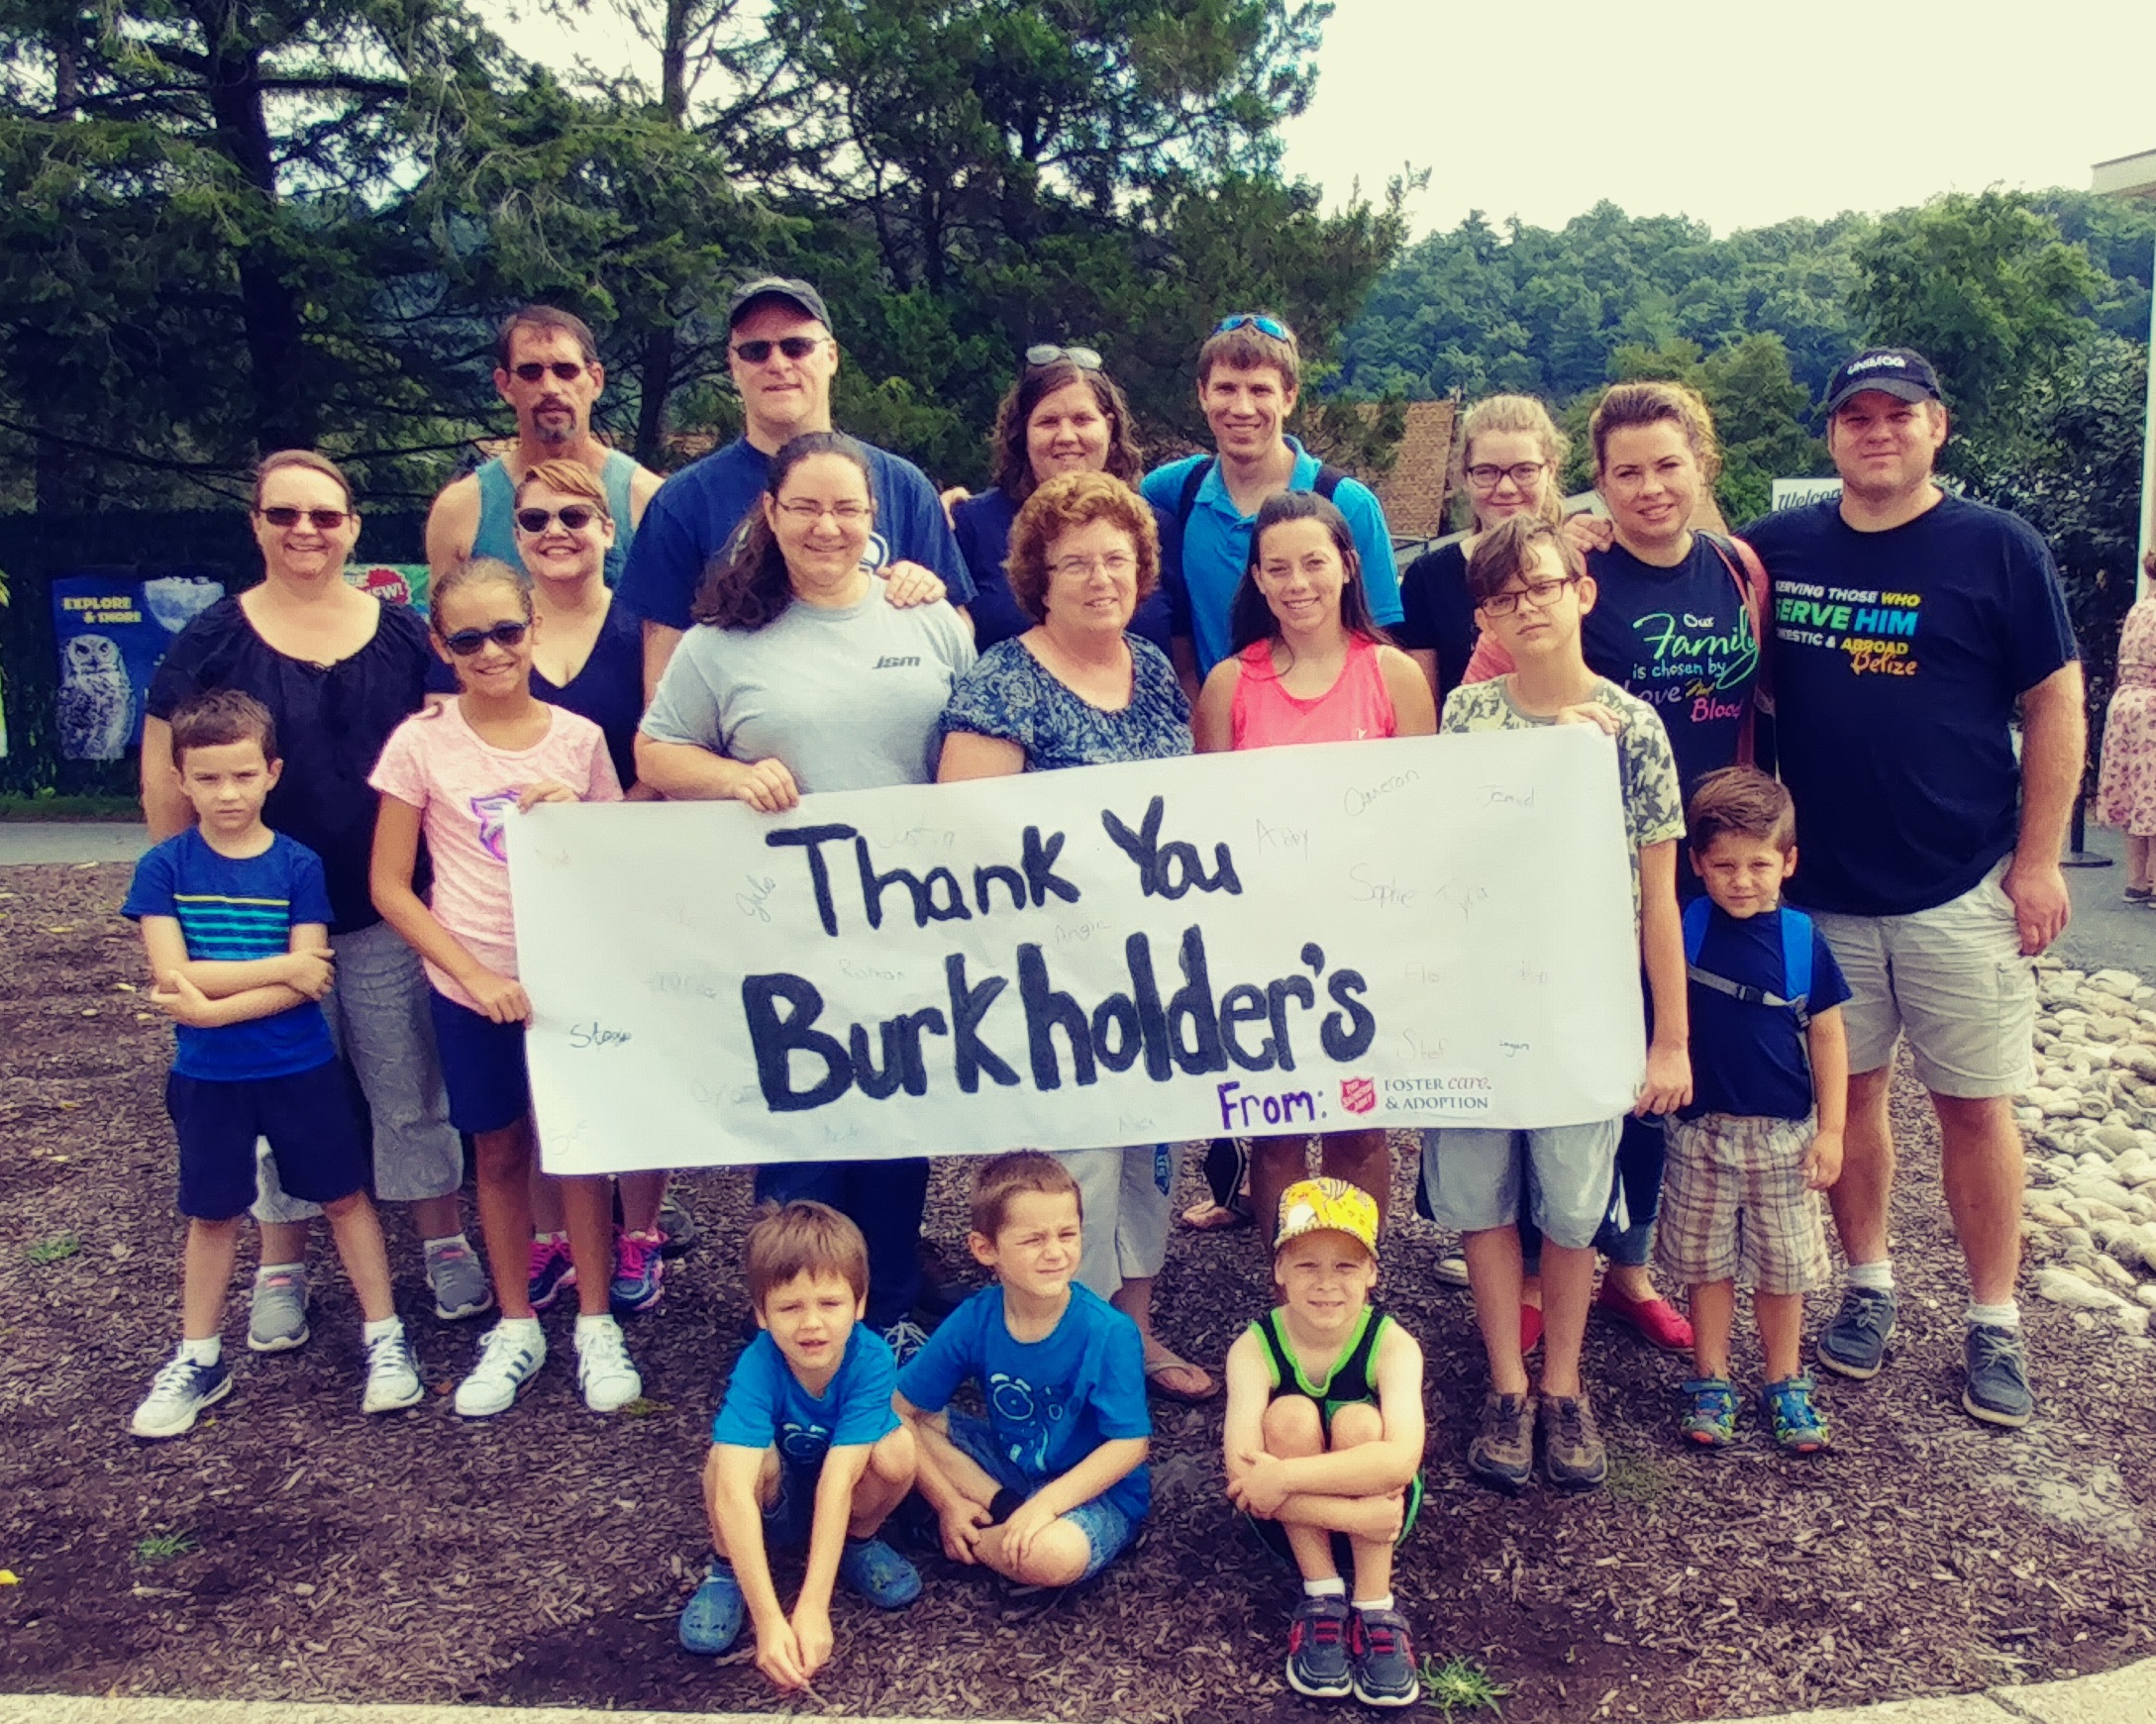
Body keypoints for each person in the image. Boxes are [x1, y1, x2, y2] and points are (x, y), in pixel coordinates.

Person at [1743, 347, 2083, 1429]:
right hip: (1823, 890)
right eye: (1854, 416)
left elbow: (2053, 704)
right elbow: (1678, 563)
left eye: (1898, 414)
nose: (1875, 431)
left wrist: (2033, 860)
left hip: (1958, 882)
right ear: (1830, 435)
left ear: (1937, 427)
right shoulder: (1776, 547)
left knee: (1972, 1106)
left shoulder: (1996, 548)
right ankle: (1869, 1286)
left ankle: (1993, 1319)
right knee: (1851, 1098)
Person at [637, 431, 975, 1363]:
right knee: (805, 1131)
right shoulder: (719, 641)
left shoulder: (931, 620)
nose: (827, 526)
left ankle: (891, 1306)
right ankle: (796, 1321)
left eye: (846, 507)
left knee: (900, 1117)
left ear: (875, 517)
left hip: (912, 922)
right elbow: (655, 750)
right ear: (770, 515)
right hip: (787, 929)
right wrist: (729, 777)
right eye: (806, 507)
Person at [143, 451, 485, 1349]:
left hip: (386, 910)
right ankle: (282, 1260)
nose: (306, 530)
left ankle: (443, 1238)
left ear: (353, 527)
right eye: (285, 514)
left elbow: (455, 752)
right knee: (275, 1088)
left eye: (325, 516)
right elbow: (163, 780)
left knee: (408, 1083)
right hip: (252, 921)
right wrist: (183, 898)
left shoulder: (408, 636)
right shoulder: (213, 640)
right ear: (256, 523)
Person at [1466, 380, 1771, 1357]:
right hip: (1582, 868)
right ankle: (1535, 1268)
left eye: (1666, 465)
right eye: (1626, 471)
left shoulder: (1736, 569)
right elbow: (1491, 693)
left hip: (1704, 854)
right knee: (1568, 1068)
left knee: (1658, 1081)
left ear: (1699, 466)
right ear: (1594, 486)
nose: (1648, 488)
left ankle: (1625, 1269)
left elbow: (1764, 698)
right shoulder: (1570, 571)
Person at [937, 470, 1216, 1401]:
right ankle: (1061, 1356)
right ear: (1038, 577)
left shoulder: (1151, 670)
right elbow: (966, 833)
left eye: (1117, 560)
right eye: (1075, 564)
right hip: (1052, 981)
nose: (1099, 578)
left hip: (1154, 972)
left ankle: (1132, 1332)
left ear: (1141, 570)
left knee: (1148, 1158)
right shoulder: (1004, 678)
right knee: (1071, 1172)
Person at [1424, 515, 1690, 1492]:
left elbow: (1657, 896)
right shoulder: (1465, 719)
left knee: (1574, 1206)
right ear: (1484, 616)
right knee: (1483, 1199)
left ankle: (1565, 1384)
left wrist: (1669, 1037)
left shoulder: (1632, 728)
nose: (1525, 606)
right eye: (1502, 597)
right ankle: (1504, 1380)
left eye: (1541, 585)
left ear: (1581, 590)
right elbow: (1443, 858)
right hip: (1481, 1004)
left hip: (1585, 1005)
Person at [368, 556, 642, 1418]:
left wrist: (580, 815)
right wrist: (474, 974)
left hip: (569, 983)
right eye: (468, 638)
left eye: (507, 631)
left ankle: (596, 1321)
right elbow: (388, 883)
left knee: (580, 1151)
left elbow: (618, 863)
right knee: (495, 1149)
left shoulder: (579, 738)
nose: (492, 651)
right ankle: (517, 1321)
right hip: (472, 985)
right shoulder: (420, 742)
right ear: (444, 649)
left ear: (532, 627)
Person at [122, 691, 422, 1438]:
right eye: (209, 778)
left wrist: (214, 1002)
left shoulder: (298, 864)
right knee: (214, 1211)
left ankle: (384, 1336)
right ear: (181, 779)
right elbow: (173, 973)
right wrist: (277, 969)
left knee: (346, 1197)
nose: (227, 793)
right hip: (209, 1079)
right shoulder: (163, 867)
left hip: (299, 1066)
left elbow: (314, 971)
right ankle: (198, 1356)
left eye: (242, 775)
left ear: (271, 773)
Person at [432, 456, 675, 1317]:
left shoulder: (648, 623)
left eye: (578, 514)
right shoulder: (495, 634)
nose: (557, 532)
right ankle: (550, 1237)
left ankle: (639, 1230)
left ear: (612, 528)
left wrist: (593, 814)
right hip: (510, 895)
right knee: (536, 1082)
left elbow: (668, 743)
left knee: (625, 1066)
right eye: (535, 520)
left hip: (629, 865)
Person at [1192, 491, 1434, 1245]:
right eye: (1278, 568)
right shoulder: (1230, 683)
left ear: (1347, 565)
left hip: (1369, 944)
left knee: (1360, 1127)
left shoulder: (1392, 675)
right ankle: (1291, 1285)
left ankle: (1352, 1282)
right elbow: (1207, 828)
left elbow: (1427, 816)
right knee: (1278, 1130)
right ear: (1256, 580)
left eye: (1313, 563)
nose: (1297, 582)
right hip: (1264, 947)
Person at [615, 276, 973, 695]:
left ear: (832, 355)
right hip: (750, 750)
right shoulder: (682, 502)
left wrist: (926, 592)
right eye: (755, 350)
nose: (777, 363)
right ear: (732, 365)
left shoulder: (903, 485)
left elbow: (958, 633)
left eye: (796, 346)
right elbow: (663, 673)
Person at [1660, 768, 1851, 1453]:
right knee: (1704, 1262)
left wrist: (1832, 1130)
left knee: (1782, 1267)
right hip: (1700, 1132)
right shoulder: (1683, 928)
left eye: (1758, 864)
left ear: (1787, 861)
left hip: (1783, 1138)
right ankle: (1709, 1377)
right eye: (1724, 866)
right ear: (1696, 865)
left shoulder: (1802, 940)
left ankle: (1783, 1379)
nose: (1742, 880)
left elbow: (1826, 1035)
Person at [678, 1202, 921, 1684]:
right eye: (790, 1307)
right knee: (724, 1461)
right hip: (779, 1502)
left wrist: (812, 1606)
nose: (811, 1324)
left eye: (829, 1304)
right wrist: (770, 1621)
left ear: (860, 1303)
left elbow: (839, 1479)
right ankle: (725, 1568)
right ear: (762, 1314)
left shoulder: (871, 1358)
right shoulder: (758, 1364)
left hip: (841, 1496)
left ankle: (858, 1542)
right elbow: (733, 1492)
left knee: (899, 1448)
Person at [895, 1153, 1150, 1589]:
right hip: (1006, 1470)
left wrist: (1046, 1505)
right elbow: (900, 1410)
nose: (1055, 1252)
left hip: (1094, 1494)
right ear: (985, 1249)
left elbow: (1129, 1447)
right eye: (1033, 1240)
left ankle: (977, 1543)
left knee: (1051, 1557)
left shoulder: (1109, 1331)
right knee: (894, 1428)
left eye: (1067, 1234)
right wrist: (947, 1502)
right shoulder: (976, 1318)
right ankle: (987, 1517)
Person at [1222, 1178, 1424, 1709]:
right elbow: (1243, 1476)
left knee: (1360, 1423)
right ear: (1280, 1270)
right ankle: (1323, 1596)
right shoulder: (1253, 1346)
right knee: (1288, 1416)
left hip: (1374, 1503)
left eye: (1347, 1266)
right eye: (1308, 1264)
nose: (1326, 1283)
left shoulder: (1394, 1345)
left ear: (1373, 1273)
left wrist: (1284, 1478)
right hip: (1318, 1521)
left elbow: (1400, 1461)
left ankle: (1375, 1603)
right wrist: (1357, 1518)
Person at [1140, 312, 1403, 690]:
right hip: (1221, 728)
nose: (1242, 408)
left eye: (1260, 390)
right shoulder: (1171, 492)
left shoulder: (1346, 503)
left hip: (1327, 724)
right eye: (1226, 388)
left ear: (1289, 398)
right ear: (1202, 394)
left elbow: (1385, 640)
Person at [951, 345, 1174, 656]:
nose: (1066, 436)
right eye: (1048, 422)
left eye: (1082, 420)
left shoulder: (1156, 527)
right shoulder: (968, 525)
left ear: (1109, 427)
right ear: (1022, 432)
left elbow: (1185, 662)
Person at [424, 305, 663, 585]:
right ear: (504, 385)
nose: (550, 387)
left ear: (596, 380)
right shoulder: (461, 509)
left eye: (566, 370)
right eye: (530, 372)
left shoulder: (647, 502)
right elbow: (445, 626)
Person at [1395, 393, 1570, 706]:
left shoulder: (1580, 561)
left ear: (1551, 470)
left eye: (1524, 470)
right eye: (1487, 472)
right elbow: (1423, 709)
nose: (1505, 488)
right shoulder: (1428, 579)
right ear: (1466, 477)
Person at [2097, 566, 2156, 902]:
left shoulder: (2139, 609)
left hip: (2125, 705)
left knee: (2136, 794)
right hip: (2152, 707)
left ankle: (2137, 881)